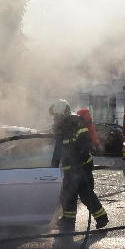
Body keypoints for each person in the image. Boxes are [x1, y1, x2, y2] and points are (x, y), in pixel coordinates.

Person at [49, 99, 109, 231]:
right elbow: (58, 150)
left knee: (86, 194)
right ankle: (69, 220)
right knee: (68, 194)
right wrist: (52, 167)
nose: (55, 119)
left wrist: (78, 160)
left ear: (64, 114)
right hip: (70, 168)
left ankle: (102, 218)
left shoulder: (77, 123)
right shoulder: (61, 128)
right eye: (55, 116)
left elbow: (85, 144)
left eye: (57, 116)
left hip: (82, 166)